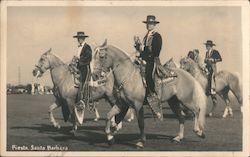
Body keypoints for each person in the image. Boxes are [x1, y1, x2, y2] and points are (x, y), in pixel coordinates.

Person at [73, 32, 92, 106]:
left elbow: (88, 58)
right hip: (79, 67)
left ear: (83, 39)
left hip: (85, 67)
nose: (78, 40)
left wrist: (79, 60)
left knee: (82, 81)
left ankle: (82, 97)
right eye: (78, 38)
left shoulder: (87, 47)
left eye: (80, 38)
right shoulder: (79, 47)